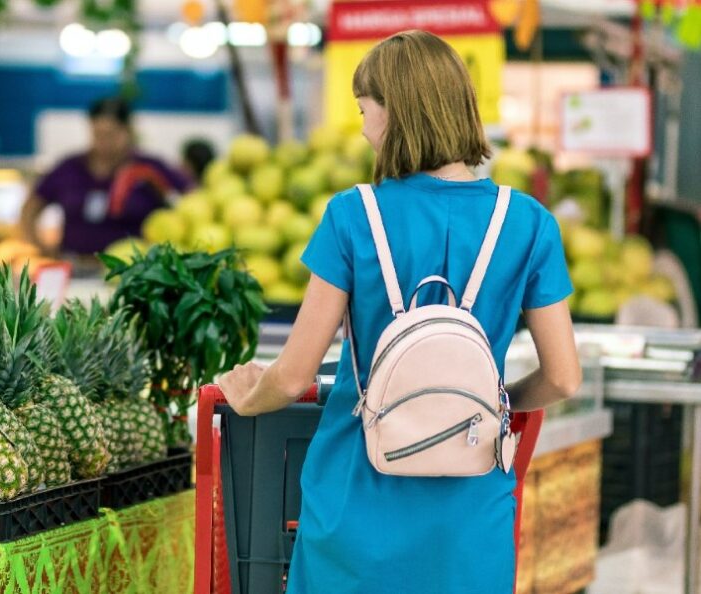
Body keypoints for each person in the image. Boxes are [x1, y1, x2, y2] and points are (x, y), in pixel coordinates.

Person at [217, 30, 582, 593]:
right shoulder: (529, 222)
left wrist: (247, 397)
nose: (364, 128)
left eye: (366, 110)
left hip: (355, 505)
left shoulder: (352, 215)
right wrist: (492, 406)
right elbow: (562, 378)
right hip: (471, 509)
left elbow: (291, 376)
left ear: (396, 114)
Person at [19, 97, 192, 256]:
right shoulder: (69, 168)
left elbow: (191, 199)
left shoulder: (149, 169)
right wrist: (41, 248)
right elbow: (30, 208)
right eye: (97, 134)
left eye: (111, 135)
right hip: (75, 267)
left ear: (128, 131)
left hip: (134, 272)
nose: (103, 142)